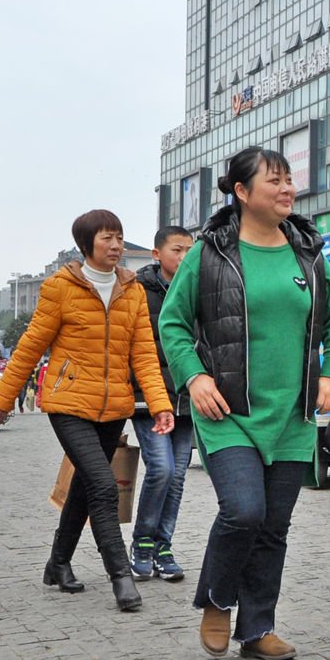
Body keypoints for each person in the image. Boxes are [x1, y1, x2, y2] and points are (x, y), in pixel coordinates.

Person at [159, 147, 330, 660]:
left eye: (289, 180)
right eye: (275, 181)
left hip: (292, 414)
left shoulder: (308, 253)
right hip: (228, 411)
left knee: (273, 527)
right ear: (242, 192)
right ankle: (219, 599)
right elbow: (173, 323)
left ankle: (257, 627)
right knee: (244, 512)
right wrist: (194, 377)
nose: (287, 188)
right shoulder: (211, 253)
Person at [0, 210, 175, 612]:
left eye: (120, 238)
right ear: (86, 244)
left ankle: (58, 562)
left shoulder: (133, 289)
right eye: (107, 238)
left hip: (115, 407)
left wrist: (159, 404)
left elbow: (143, 354)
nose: (116, 246)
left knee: (85, 488)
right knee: (105, 487)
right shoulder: (61, 287)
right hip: (68, 403)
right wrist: (1, 402)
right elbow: (30, 347)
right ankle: (121, 578)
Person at [129, 226, 196, 583]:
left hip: (187, 399)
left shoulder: (197, 289)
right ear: (157, 254)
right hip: (148, 399)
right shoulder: (138, 291)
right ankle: (142, 544)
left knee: (179, 475)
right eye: (177, 250)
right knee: (162, 469)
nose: (184, 257)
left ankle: (163, 547)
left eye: (189, 250)